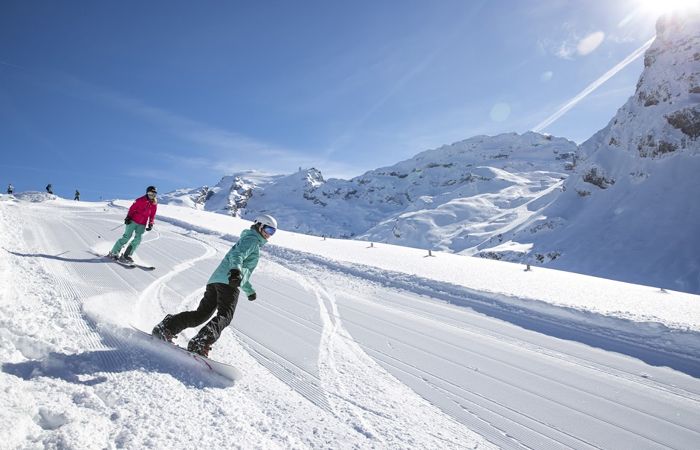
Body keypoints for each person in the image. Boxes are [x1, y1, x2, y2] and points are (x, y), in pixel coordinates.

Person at [152, 214, 277, 357]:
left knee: (201, 315)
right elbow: (237, 256)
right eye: (268, 229)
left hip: (216, 281)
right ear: (260, 225)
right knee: (225, 315)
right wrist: (235, 271)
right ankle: (201, 341)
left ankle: (167, 328)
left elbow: (244, 270)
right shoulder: (252, 240)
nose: (269, 234)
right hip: (228, 282)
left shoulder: (249, 239)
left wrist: (249, 290)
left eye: (273, 232)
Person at [109, 186, 158, 263]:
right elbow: (132, 209)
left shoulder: (154, 204)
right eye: (150, 193)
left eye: (154, 194)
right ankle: (114, 252)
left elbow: (152, 215)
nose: (152, 195)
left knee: (138, 239)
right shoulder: (140, 200)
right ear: (147, 193)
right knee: (126, 237)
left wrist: (150, 223)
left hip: (142, 224)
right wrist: (128, 217)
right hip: (133, 221)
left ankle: (127, 254)